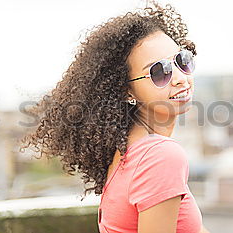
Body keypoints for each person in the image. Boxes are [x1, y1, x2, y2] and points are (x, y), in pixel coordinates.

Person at [20, 1, 210, 232]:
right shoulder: (160, 155)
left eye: (182, 60)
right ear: (126, 90)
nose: (180, 77)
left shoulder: (127, 151)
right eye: (159, 71)